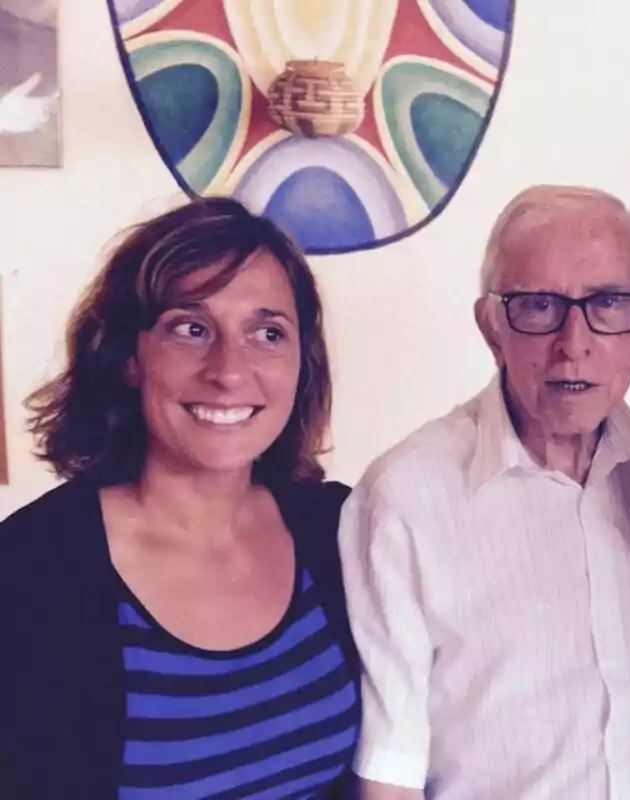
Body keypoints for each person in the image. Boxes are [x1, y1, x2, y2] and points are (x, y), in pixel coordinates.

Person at [342, 185, 630, 799]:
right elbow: (390, 770)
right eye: (536, 306)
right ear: (491, 326)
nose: (573, 343)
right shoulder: (403, 498)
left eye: (609, 304)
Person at [0, 198, 361, 798]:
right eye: (190, 329)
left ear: (302, 363)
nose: (229, 370)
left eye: (268, 333)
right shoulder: (30, 569)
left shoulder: (340, 531)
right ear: (128, 359)